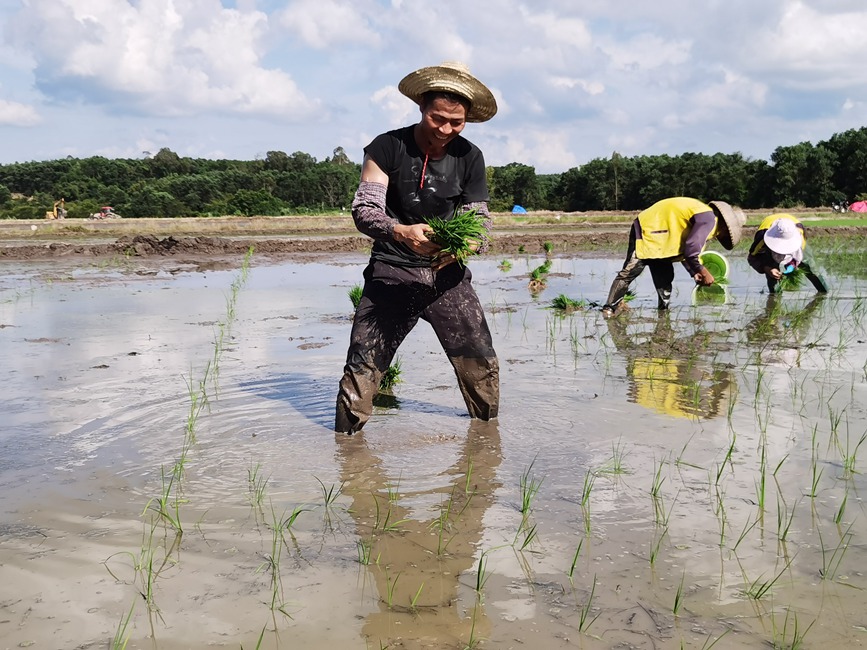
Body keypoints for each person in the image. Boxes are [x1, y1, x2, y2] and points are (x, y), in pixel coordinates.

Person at [334, 62, 500, 434]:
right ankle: (345, 449)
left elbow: (480, 222)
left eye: (455, 122)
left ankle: (487, 442)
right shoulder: (387, 147)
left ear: (467, 119)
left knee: (481, 362)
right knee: (363, 364)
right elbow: (365, 209)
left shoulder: (469, 157)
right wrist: (399, 230)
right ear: (422, 107)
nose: (445, 130)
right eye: (437, 118)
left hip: (447, 277)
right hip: (391, 272)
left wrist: (465, 245)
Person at [601, 197, 746, 315]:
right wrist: (703, 271)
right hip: (649, 227)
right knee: (630, 271)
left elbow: (685, 247)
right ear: (727, 227)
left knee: (664, 276)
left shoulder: (706, 217)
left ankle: (663, 312)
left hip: (663, 238)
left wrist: (694, 272)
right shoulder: (708, 218)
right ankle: (609, 308)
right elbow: (691, 249)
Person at [746, 214, 827, 293]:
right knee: (773, 278)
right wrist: (767, 268)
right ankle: (774, 300)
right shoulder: (762, 237)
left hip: (794, 227)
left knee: (810, 267)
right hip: (768, 243)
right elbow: (752, 258)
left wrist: (792, 264)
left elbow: (798, 254)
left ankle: (824, 292)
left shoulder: (800, 232)